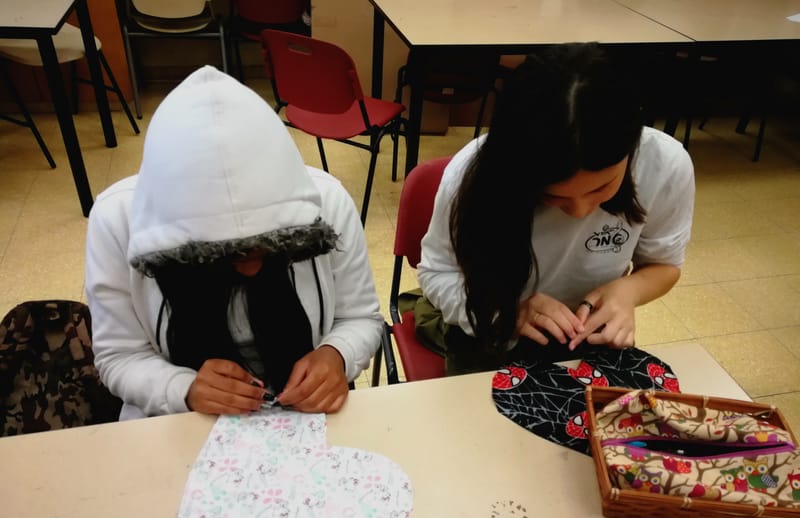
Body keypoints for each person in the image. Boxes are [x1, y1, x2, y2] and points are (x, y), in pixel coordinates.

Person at [85, 66, 383, 419]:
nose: (253, 269)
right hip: (181, 419)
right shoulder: (117, 219)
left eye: (269, 248)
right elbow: (119, 356)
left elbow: (360, 317)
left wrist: (337, 354)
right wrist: (182, 388)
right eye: (227, 256)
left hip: (306, 415)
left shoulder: (325, 205)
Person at [417, 43, 695, 375]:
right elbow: (436, 273)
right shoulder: (472, 174)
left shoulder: (664, 164)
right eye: (553, 197)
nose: (579, 211)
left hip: (587, 336)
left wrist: (628, 291)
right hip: (491, 328)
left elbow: (664, 265)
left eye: (600, 188)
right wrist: (509, 312)